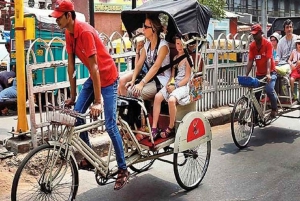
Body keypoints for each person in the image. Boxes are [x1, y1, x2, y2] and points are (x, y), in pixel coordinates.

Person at [49, 0, 129, 190]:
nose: (57, 21)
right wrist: (72, 95)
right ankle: (89, 157)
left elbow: (94, 66)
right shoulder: (69, 33)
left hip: (108, 78)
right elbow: (71, 66)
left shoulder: (84, 31)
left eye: (59, 18)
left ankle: (123, 169)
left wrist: (98, 102)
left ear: (69, 15)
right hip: (94, 79)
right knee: (77, 116)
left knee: (110, 125)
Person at [151, 36, 192, 139]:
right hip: (175, 84)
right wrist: (170, 84)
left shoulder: (188, 59)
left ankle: (171, 125)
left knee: (171, 100)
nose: (180, 46)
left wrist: (176, 86)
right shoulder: (175, 58)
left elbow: (187, 78)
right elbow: (172, 76)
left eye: (182, 44)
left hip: (183, 86)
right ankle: (154, 127)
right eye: (178, 44)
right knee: (157, 97)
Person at [124, 14, 171, 100]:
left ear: (153, 29)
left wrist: (141, 84)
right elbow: (139, 64)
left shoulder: (163, 46)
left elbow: (156, 67)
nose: (143, 29)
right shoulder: (147, 44)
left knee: (135, 93)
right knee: (129, 90)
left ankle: (142, 113)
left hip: (161, 80)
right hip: (150, 78)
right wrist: (133, 80)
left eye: (145, 27)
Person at [246, 24, 278, 118]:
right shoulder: (252, 46)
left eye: (256, 34)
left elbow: (269, 59)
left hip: (271, 73)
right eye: (253, 34)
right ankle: (255, 117)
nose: (254, 36)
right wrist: (246, 74)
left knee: (269, 89)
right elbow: (251, 61)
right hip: (259, 74)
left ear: (260, 33)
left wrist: (268, 74)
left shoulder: (268, 44)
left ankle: (274, 109)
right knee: (255, 94)